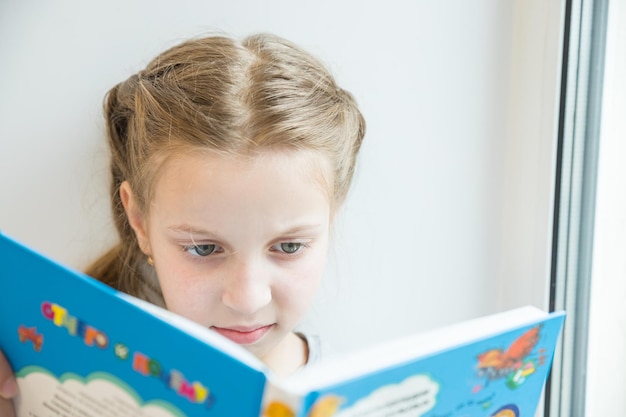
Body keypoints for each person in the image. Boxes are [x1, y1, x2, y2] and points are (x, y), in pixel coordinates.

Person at [0, 32, 365, 414]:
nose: (247, 299)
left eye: (289, 246)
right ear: (139, 221)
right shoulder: (55, 380)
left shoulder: (362, 401)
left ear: (330, 222)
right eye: (204, 248)